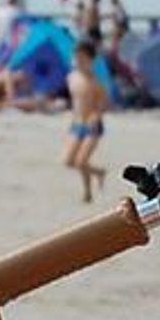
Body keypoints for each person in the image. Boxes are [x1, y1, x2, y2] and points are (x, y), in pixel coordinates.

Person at [64, 41, 108, 202]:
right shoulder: (71, 77)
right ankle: (99, 172)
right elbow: (75, 101)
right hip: (77, 124)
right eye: (77, 57)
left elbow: (103, 104)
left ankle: (87, 193)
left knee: (81, 161)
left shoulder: (95, 81)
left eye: (83, 58)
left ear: (91, 60)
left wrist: (96, 116)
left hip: (92, 126)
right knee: (69, 161)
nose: (79, 61)